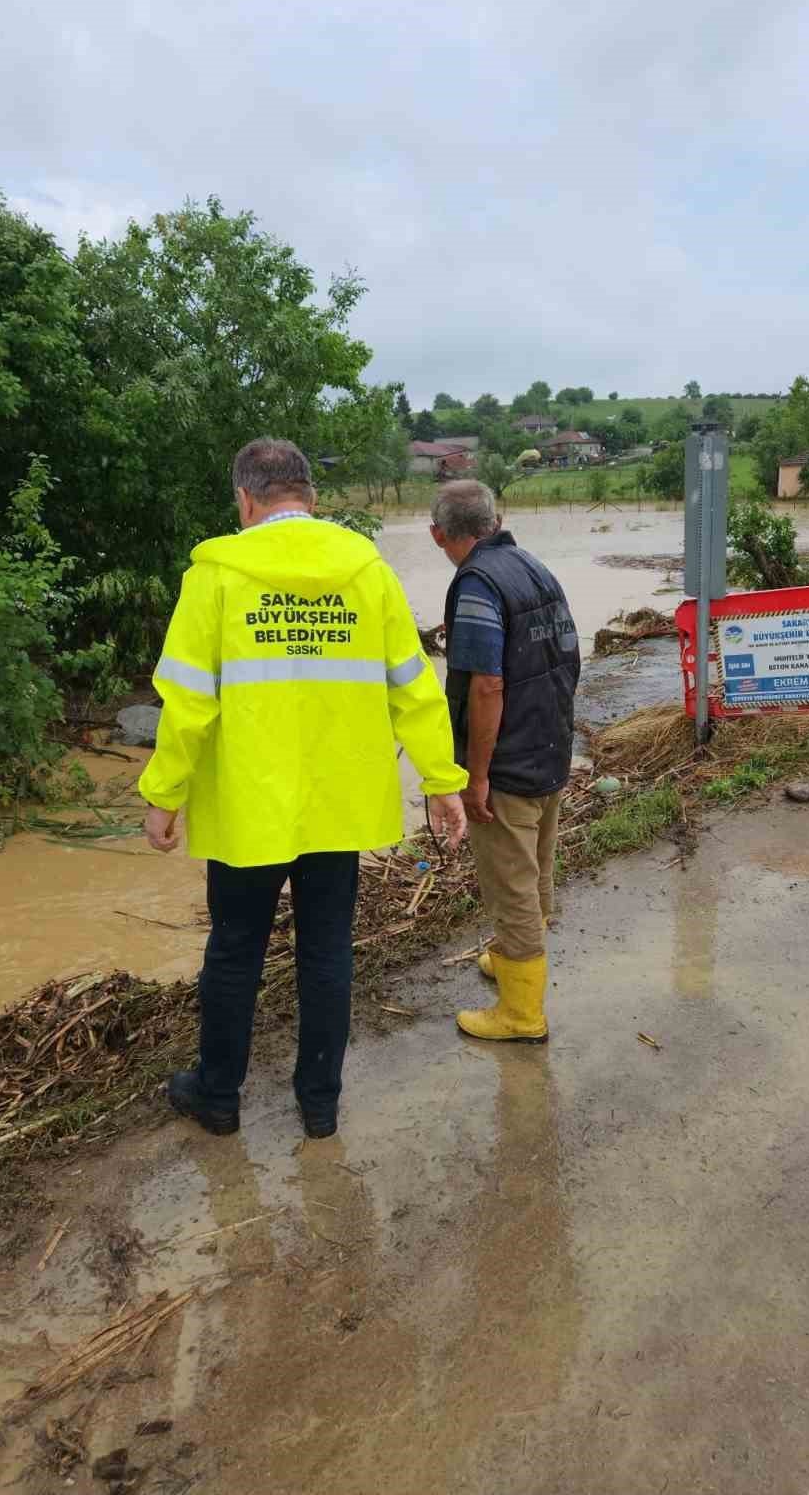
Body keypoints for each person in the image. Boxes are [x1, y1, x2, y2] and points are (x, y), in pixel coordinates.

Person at [140, 438, 467, 1140]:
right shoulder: (367, 573)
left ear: (245, 500)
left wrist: (164, 795)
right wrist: (443, 783)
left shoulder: (216, 577)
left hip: (248, 806)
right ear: (312, 499)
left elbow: (188, 701)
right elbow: (414, 688)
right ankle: (319, 1104)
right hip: (337, 804)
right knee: (326, 952)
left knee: (234, 950)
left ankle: (218, 1097)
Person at [430, 481, 580, 1043]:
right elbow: (569, 654)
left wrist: (476, 774)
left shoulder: (475, 583)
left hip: (509, 762)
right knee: (537, 866)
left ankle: (521, 1015)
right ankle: (514, 961)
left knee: (511, 883)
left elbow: (487, 686)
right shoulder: (532, 565)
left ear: (438, 534)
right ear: (497, 520)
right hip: (550, 744)